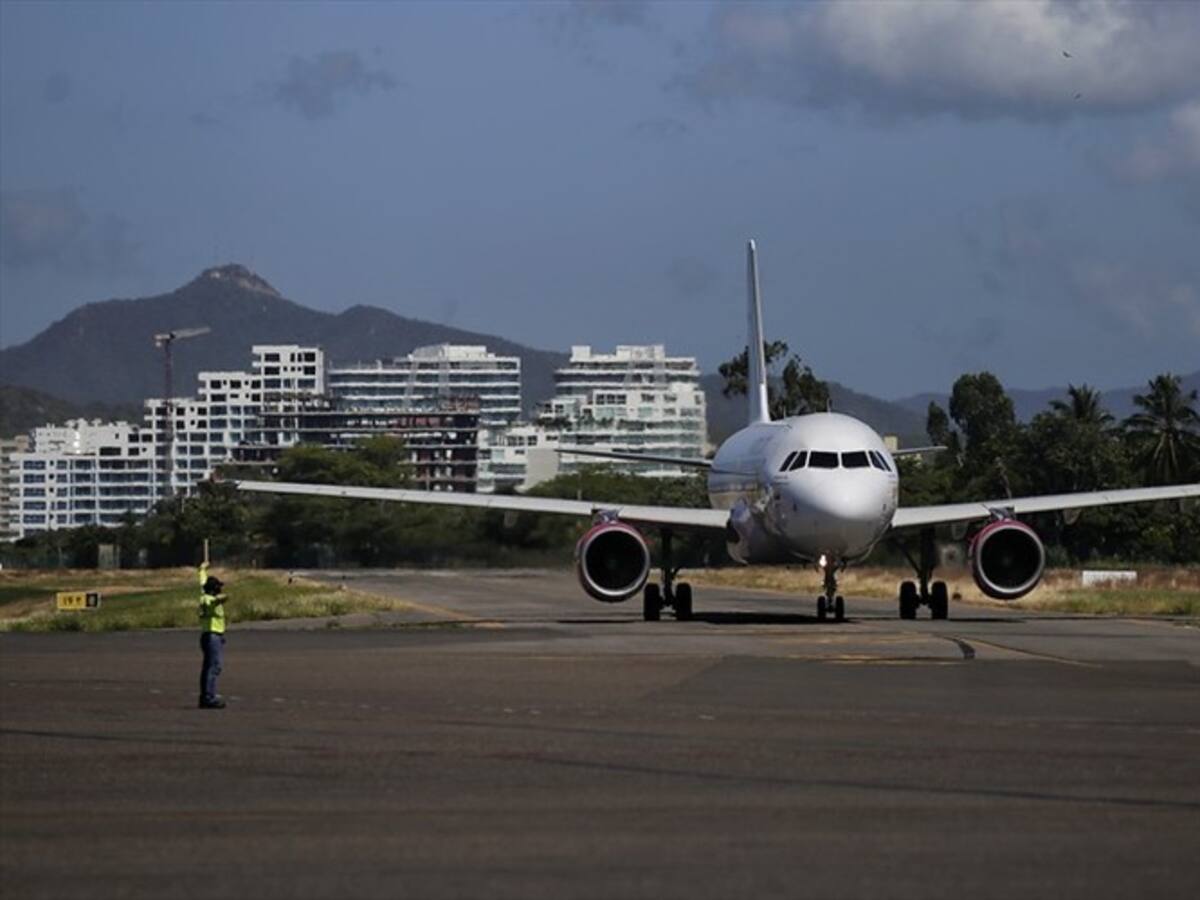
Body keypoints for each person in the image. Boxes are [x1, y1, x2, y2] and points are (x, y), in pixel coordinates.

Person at [197, 562, 228, 709]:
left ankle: (206, 695)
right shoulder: (209, 600)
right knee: (214, 667)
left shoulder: (204, 595)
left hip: (211, 636)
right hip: (212, 635)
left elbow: (202, 582)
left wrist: (202, 569)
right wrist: (220, 599)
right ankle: (208, 697)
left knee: (209, 667)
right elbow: (212, 602)